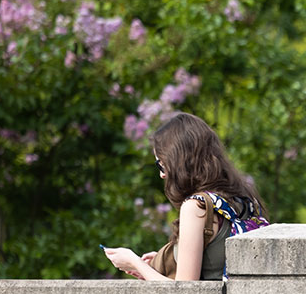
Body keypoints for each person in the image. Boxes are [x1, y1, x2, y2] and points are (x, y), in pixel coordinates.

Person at [104, 113, 270, 280]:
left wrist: (134, 262)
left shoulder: (196, 207)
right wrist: (169, 259)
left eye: (161, 165)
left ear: (179, 161)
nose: (162, 175)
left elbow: (184, 292)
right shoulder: (243, 199)